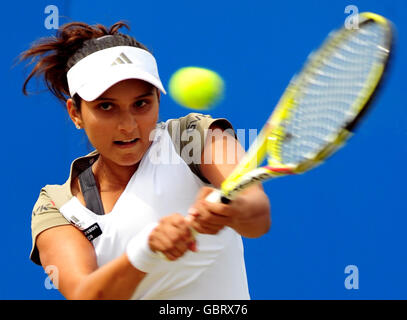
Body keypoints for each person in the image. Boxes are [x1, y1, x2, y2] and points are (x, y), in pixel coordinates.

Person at [22, 21, 271, 300]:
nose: (128, 126)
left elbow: (257, 214)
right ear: (75, 113)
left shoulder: (192, 137)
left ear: (157, 101)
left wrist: (231, 209)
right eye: (106, 106)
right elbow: (84, 295)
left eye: (141, 104)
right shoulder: (57, 205)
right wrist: (146, 250)